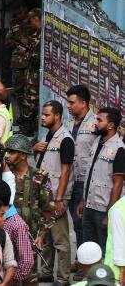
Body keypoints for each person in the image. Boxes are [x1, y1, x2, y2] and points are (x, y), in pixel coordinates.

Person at [32, 101, 74, 286]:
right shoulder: (47, 135)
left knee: (60, 240)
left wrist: (59, 199)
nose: (43, 117)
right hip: (44, 196)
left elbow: (66, 171)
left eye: (47, 114)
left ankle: (63, 278)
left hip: (56, 196)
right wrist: (34, 149)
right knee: (46, 236)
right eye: (43, 114)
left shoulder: (65, 139)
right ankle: (46, 272)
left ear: (57, 116)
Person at [3, 135, 58, 257]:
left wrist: (41, 235)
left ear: (23, 155)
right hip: (5, 234)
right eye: (7, 152)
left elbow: (48, 209)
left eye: (12, 152)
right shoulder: (5, 175)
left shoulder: (39, 176)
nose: (7, 156)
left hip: (29, 236)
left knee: (28, 267)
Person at [79, 107, 125, 249]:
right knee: (89, 248)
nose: (95, 123)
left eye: (99, 120)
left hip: (103, 210)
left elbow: (118, 185)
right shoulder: (97, 141)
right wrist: (83, 201)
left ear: (110, 125)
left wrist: (109, 214)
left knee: (104, 250)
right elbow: (90, 174)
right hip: (89, 206)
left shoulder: (119, 149)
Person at [67, 85, 99, 249]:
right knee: (74, 222)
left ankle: (84, 259)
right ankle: (81, 256)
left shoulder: (96, 124)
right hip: (69, 179)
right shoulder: (68, 123)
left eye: (72, 102)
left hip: (85, 180)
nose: (68, 106)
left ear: (83, 103)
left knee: (82, 223)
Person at [6, 10, 40, 136]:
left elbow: (37, 57)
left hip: (33, 73)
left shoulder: (40, 34)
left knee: (32, 99)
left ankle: (29, 125)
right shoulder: (15, 25)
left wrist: (27, 51)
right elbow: (8, 41)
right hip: (22, 67)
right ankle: (25, 120)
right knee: (22, 94)